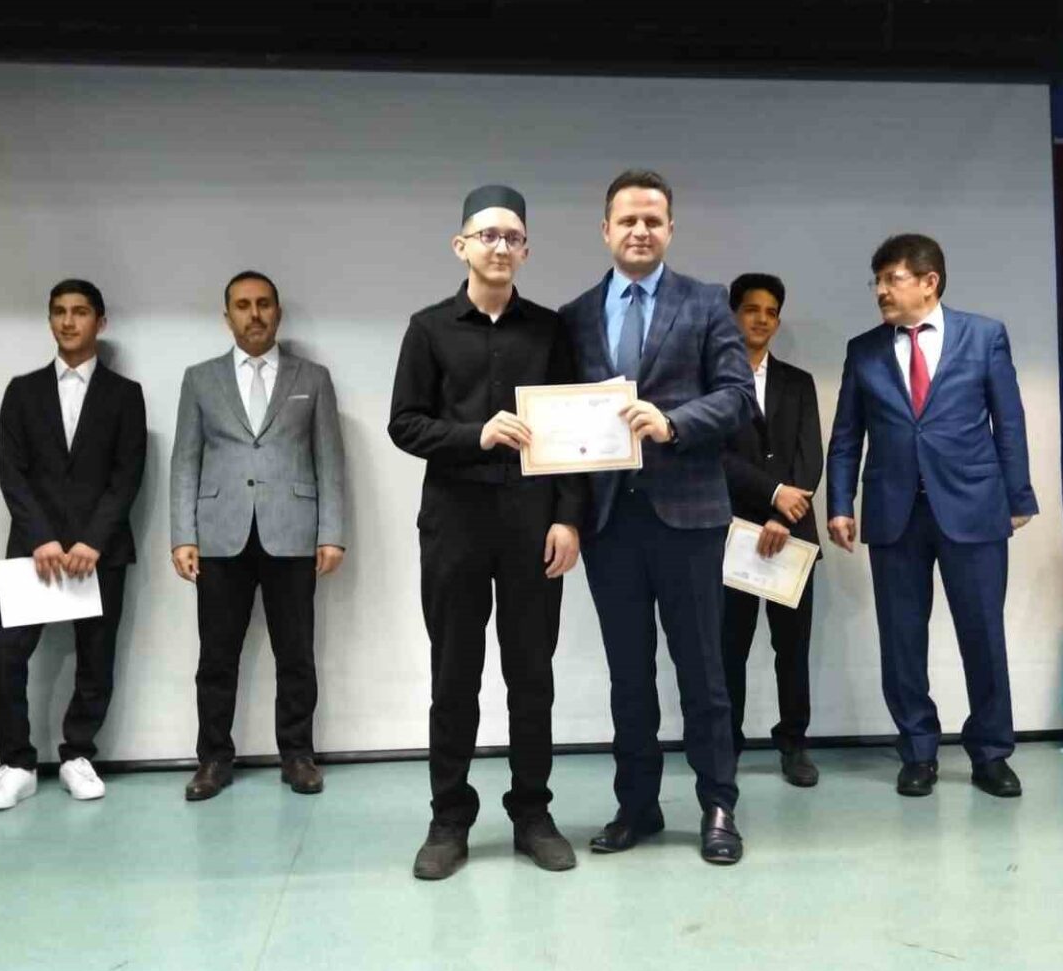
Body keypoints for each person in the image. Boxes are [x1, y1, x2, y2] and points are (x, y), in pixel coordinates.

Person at [388, 184, 586, 881]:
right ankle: (449, 818)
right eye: (487, 235)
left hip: (533, 525)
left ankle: (532, 813)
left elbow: (572, 428)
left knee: (531, 676)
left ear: (526, 251)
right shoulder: (428, 329)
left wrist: (568, 517)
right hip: (455, 524)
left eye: (513, 237)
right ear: (461, 246)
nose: (500, 246)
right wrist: (476, 434)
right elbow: (404, 424)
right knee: (455, 675)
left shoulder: (551, 331)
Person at [559, 169, 755, 865]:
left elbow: (738, 396)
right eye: (628, 220)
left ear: (670, 229)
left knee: (704, 673)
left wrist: (673, 423)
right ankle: (637, 806)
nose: (639, 231)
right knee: (629, 677)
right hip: (610, 522)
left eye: (652, 220)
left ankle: (719, 805)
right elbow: (561, 418)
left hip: (690, 518)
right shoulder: (574, 315)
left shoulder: (705, 303)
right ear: (605, 230)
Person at [826, 234, 1037, 799]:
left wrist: (1018, 497)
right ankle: (917, 750)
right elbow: (846, 436)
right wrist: (840, 504)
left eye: (891, 279)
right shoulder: (863, 350)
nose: (880, 290)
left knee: (983, 633)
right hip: (894, 512)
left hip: (973, 507)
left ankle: (991, 753)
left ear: (929, 282)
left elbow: (1009, 421)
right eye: (876, 281)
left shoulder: (984, 336)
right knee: (901, 639)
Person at [169, 271, 345, 802]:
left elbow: (329, 458)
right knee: (216, 657)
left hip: (293, 532)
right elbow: (185, 460)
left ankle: (298, 755)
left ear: (278, 312)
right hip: (219, 535)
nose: (254, 314)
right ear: (227, 316)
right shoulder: (200, 379)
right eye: (243, 305)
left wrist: (332, 531)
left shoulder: (313, 378)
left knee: (296, 655)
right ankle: (213, 759)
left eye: (264, 304)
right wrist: (182, 534)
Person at [0, 279, 148, 811]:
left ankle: (78, 755)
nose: (68, 321)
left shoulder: (125, 395)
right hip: (35, 551)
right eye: (59, 311)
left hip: (101, 552)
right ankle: (17, 764)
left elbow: (127, 475)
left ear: (101, 321)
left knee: (96, 660)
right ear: (50, 319)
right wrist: (42, 538)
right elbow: (12, 474)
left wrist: (93, 541)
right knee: (4, 654)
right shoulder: (21, 391)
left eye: (80, 312)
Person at [719, 273, 823, 786]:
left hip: (793, 533)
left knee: (792, 648)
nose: (761, 319)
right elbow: (713, 456)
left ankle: (794, 743)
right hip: (731, 530)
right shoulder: (712, 381)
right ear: (733, 314)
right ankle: (726, 743)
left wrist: (785, 513)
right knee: (729, 647)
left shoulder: (799, 382)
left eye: (771, 312)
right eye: (751, 309)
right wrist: (771, 495)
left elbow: (811, 455)